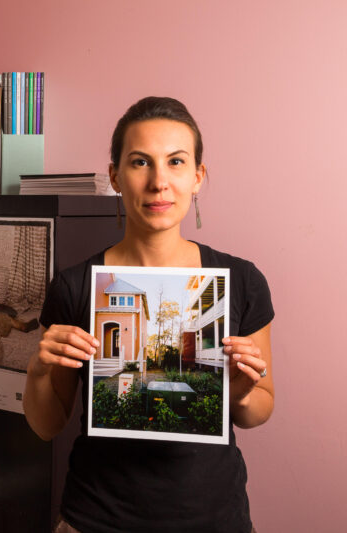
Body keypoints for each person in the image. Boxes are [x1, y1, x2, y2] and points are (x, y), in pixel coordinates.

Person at [23, 96, 274, 533]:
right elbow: (48, 426)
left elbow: (255, 413)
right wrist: (38, 370)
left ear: (197, 177)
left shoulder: (241, 281)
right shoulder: (77, 286)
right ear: (116, 177)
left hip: (215, 518)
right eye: (140, 162)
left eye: (176, 162)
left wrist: (242, 390)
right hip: (96, 518)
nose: (159, 182)